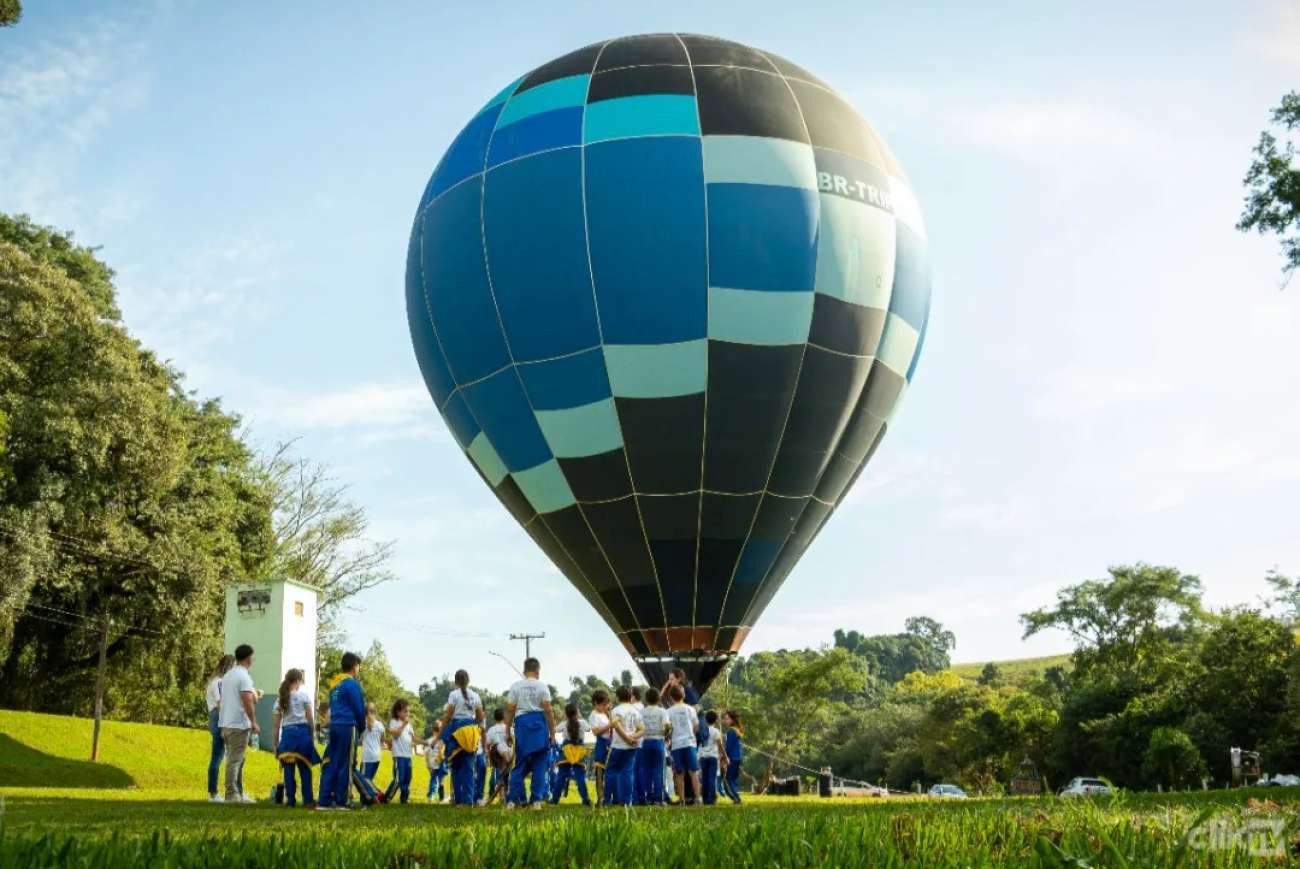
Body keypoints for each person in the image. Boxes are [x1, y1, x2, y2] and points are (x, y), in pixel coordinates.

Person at [317, 651, 366, 811]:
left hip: (335, 726)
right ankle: (342, 801)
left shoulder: (335, 685)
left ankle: (324, 800)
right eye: (358, 666)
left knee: (332, 762)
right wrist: (362, 727)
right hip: (348, 726)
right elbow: (359, 708)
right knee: (347, 763)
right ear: (354, 667)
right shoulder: (352, 684)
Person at [504, 657, 556, 809]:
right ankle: (536, 801)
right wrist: (552, 733)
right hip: (539, 725)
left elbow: (510, 710)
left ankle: (512, 800)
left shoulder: (515, 687)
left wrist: (507, 731)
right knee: (540, 766)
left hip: (522, 724)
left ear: (524, 671)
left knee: (519, 765)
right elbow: (548, 710)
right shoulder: (542, 687)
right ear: (538, 671)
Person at [218, 644, 259, 804]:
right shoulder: (244, 676)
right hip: (238, 724)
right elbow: (247, 700)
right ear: (249, 658)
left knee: (237, 759)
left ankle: (239, 792)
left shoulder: (228, 675)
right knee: (235, 760)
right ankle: (231, 794)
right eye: (253, 656)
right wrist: (254, 721)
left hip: (227, 722)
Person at [273, 668, 319, 808]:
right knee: (305, 769)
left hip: (288, 736)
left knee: (288, 769)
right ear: (298, 681)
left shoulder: (279, 699)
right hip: (303, 735)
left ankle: (290, 800)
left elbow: (276, 726)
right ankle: (308, 801)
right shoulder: (304, 697)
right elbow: (310, 720)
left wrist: (275, 744)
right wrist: (311, 737)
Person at [439, 669, 484, 806]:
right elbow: (480, 717)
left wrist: (441, 731)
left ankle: (457, 799)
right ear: (468, 680)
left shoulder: (454, 694)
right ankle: (468, 800)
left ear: (456, 681)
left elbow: (448, 715)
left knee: (456, 766)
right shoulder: (475, 695)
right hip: (470, 732)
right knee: (469, 767)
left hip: (456, 731)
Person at [604, 685, 644, 806]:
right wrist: (633, 738)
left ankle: (607, 800)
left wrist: (627, 739)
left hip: (618, 745)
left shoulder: (616, 710)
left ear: (617, 697)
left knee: (611, 771)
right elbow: (642, 729)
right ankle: (626, 801)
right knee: (627, 772)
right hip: (632, 747)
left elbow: (617, 726)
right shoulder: (635, 711)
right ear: (630, 697)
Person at [549, 703, 592, 806]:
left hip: (566, 751)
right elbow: (589, 729)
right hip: (579, 750)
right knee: (580, 776)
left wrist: (565, 719)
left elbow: (555, 730)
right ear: (577, 712)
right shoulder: (583, 723)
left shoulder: (564, 724)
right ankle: (586, 799)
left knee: (561, 776)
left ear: (566, 714)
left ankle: (555, 799)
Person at [205, 654, 234, 802]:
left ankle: (219, 791)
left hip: (219, 716)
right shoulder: (218, 682)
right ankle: (213, 793)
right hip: (218, 717)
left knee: (222, 756)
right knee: (217, 756)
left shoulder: (218, 682)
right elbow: (221, 703)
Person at [667, 684, 701, 805]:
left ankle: (681, 800)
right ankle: (697, 798)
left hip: (677, 745)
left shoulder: (668, 711)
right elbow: (696, 726)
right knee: (693, 772)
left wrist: (670, 737)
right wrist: (690, 733)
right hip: (690, 743)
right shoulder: (690, 709)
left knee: (679, 773)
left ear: (671, 697)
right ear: (684, 695)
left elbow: (667, 729)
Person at [638, 687, 668, 805]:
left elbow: (638, 727)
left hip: (645, 742)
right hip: (658, 741)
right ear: (658, 698)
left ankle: (648, 797)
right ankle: (658, 798)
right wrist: (666, 735)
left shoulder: (642, 712)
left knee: (647, 770)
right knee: (657, 770)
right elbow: (667, 727)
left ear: (646, 699)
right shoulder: (662, 711)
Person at [386, 699, 415, 804]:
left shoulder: (409, 725)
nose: (408, 714)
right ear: (398, 712)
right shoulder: (394, 722)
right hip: (398, 756)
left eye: (409, 711)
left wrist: (427, 742)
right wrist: (403, 725)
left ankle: (404, 799)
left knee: (407, 778)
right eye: (405, 711)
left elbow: (414, 738)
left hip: (408, 756)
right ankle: (387, 797)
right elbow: (396, 735)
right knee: (399, 779)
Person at [588, 690, 612, 805]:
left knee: (609, 772)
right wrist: (609, 726)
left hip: (609, 742)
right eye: (602, 704)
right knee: (600, 772)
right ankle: (601, 797)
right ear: (596, 703)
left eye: (605, 704)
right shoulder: (594, 715)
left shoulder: (605, 714)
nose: (604, 706)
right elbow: (596, 732)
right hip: (601, 743)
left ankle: (609, 796)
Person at [484, 708, 512, 802]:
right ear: (504, 717)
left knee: (498, 775)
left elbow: (487, 745)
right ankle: (505, 795)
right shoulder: (508, 728)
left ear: (494, 718)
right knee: (506, 775)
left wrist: (488, 757)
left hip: (497, 757)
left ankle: (500, 795)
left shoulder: (491, 730)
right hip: (508, 755)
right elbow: (512, 741)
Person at [698, 710, 725, 806]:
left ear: (705, 719)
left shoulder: (701, 731)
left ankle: (705, 799)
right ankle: (712, 798)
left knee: (704, 778)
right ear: (716, 720)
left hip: (702, 757)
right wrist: (725, 756)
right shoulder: (716, 731)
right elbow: (720, 745)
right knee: (712, 778)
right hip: (713, 757)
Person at [721, 710, 744, 804]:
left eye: (726, 719)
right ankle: (735, 798)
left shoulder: (731, 731)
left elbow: (728, 747)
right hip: (738, 758)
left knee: (728, 779)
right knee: (733, 779)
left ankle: (736, 798)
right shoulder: (737, 730)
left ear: (732, 720)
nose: (724, 721)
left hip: (732, 758)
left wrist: (724, 757)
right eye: (724, 719)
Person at [359, 704, 384, 781]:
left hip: (367, 757)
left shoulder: (363, 725)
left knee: (363, 782)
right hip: (377, 757)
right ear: (375, 712)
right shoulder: (380, 725)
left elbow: (360, 740)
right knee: (369, 781)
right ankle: (371, 793)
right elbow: (382, 740)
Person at [630, 686, 646, 805]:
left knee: (633, 771)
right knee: (641, 771)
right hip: (642, 743)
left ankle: (634, 798)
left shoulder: (633, 708)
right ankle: (642, 797)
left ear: (633, 696)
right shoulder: (643, 707)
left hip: (634, 742)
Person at [425, 722, 447, 802]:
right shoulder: (441, 741)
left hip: (434, 764)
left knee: (435, 780)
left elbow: (426, 754)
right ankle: (435, 795)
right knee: (439, 781)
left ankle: (434, 795)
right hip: (438, 764)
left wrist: (428, 765)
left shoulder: (430, 740)